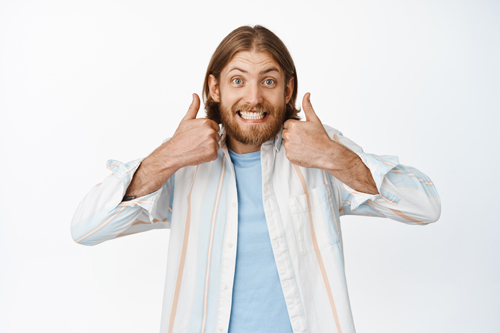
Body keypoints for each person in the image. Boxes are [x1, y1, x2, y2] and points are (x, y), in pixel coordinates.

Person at [71, 25, 441, 333]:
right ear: (215, 89)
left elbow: (425, 206)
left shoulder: (320, 148)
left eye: (268, 80)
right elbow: (86, 228)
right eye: (237, 80)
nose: (253, 97)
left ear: (288, 89)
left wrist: (331, 155)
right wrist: (169, 155)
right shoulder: (184, 159)